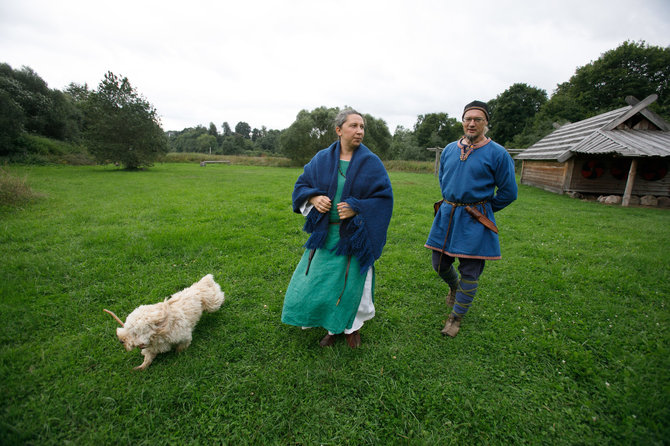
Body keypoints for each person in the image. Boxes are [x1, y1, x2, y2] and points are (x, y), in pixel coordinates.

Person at [281, 108, 394, 348]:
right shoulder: (322, 158)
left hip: (354, 236)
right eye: (354, 126)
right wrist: (313, 199)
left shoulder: (371, 163)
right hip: (326, 234)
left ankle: (352, 328)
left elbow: (383, 199)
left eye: (362, 127)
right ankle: (332, 327)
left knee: (352, 284)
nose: (359, 131)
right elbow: (301, 185)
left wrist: (356, 208)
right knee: (320, 281)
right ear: (339, 129)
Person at [425, 100, 517, 337]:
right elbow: (444, 179)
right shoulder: (449, 149)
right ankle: (454, 289)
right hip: (447, 215)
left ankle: (456, 318)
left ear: (486, 122)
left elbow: (509, 192)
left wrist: (483, 209)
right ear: (463, 121)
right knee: (440, 264)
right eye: (468, 118)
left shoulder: (498, 154)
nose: (472, 123)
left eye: (478, 119)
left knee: (470, 271)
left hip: (475, 218)